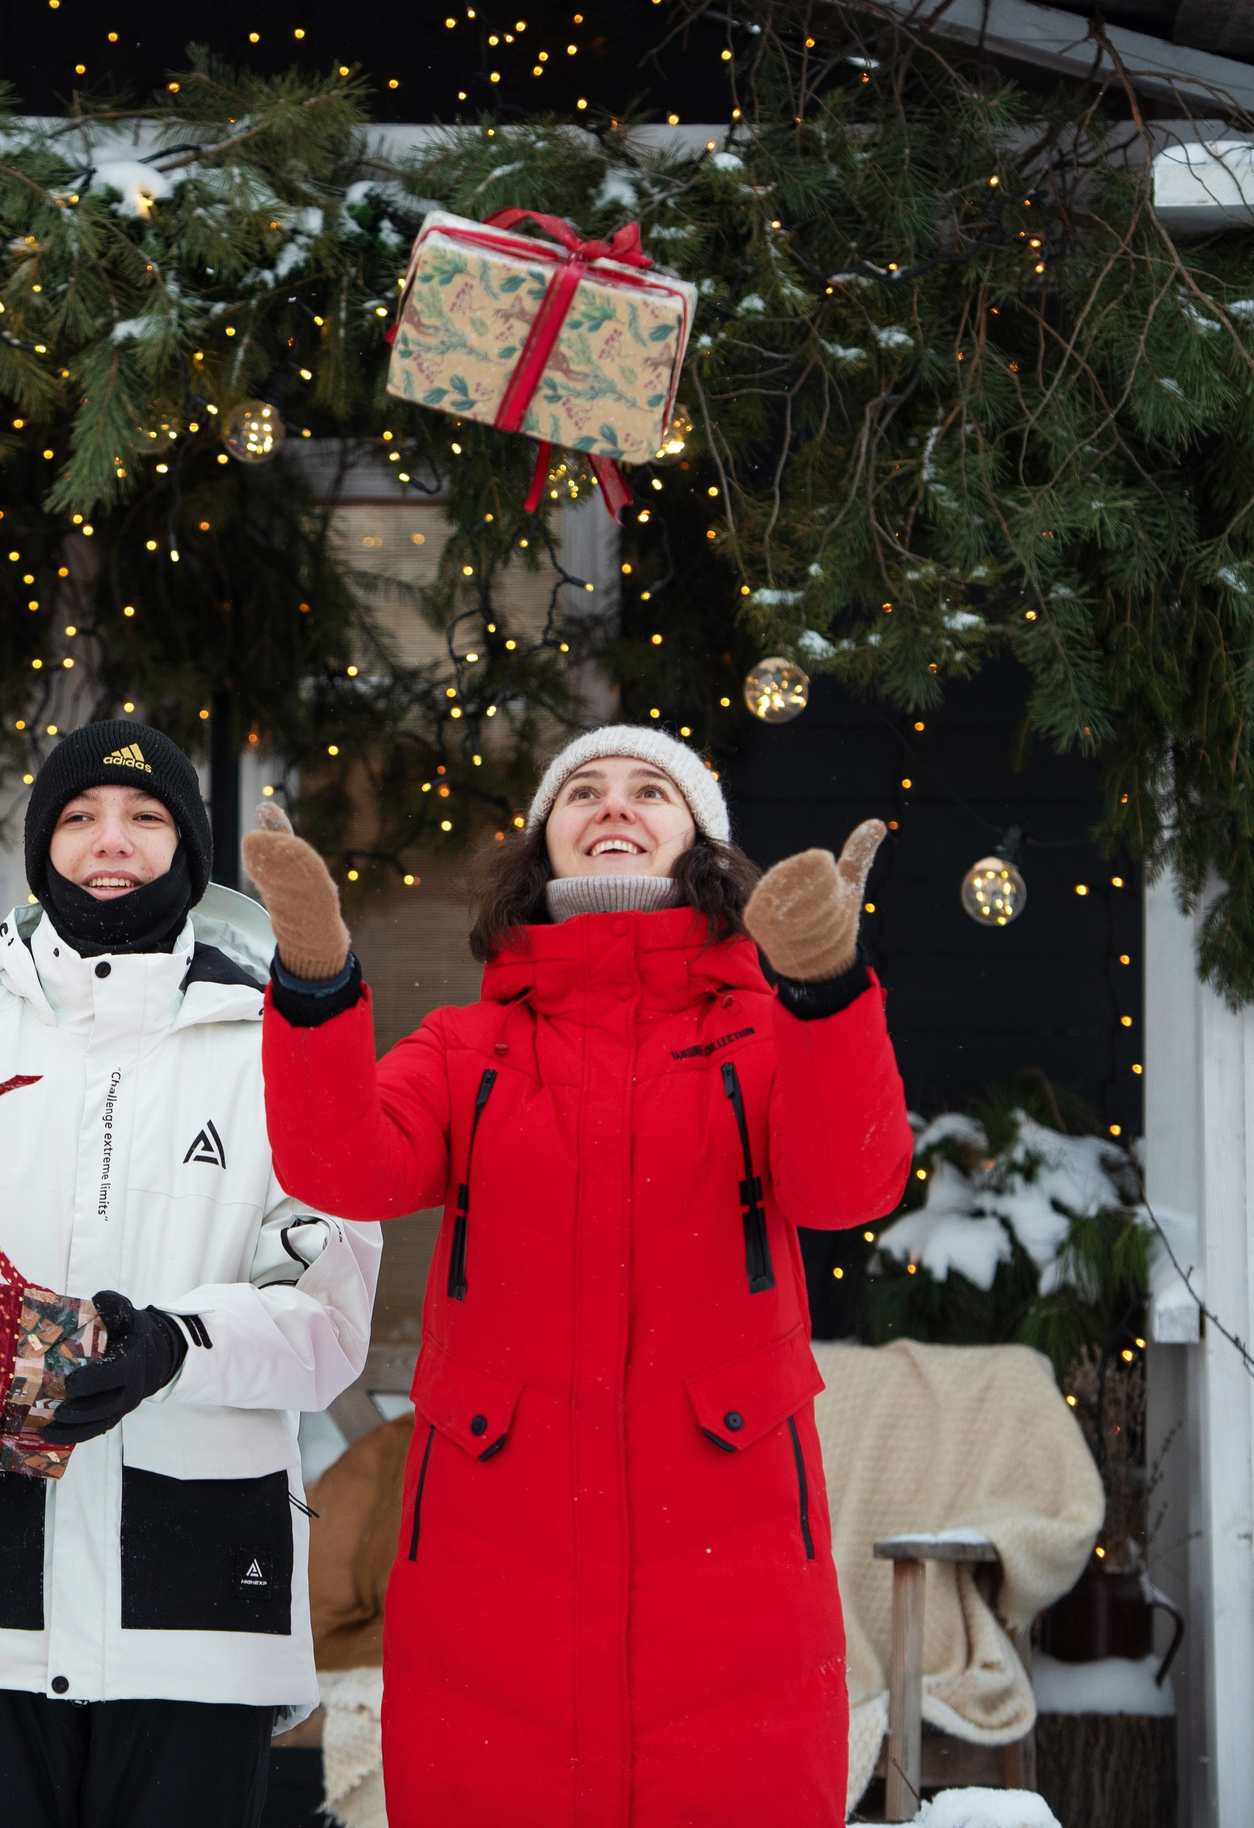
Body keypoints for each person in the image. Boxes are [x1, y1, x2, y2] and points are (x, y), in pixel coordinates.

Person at [240, 725, 910, 1828]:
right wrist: (315, 979)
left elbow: (850, 1184)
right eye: (582, 791)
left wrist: (827, 989)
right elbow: (339, 1165)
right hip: (489, 1566)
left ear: (700, 841)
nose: (614, 805)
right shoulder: (465, 1046)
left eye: (652, 790)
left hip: (729, 1567)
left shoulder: (757, 1034)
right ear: (541, 847)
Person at [0, 718, 380, 1828]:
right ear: (39, 848)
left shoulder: (276, 1055)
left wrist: (174, 1347)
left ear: (191, 852)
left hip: (197, 1597)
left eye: (146, 817)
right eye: (78, 817)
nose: (110, 840)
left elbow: (328, 1315)